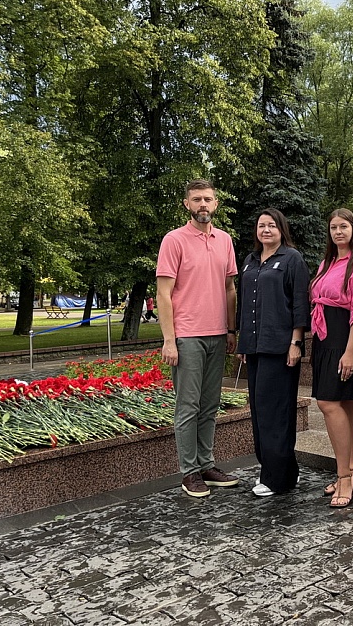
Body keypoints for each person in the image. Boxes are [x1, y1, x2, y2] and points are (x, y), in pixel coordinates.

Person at [156, 179, 240, 498]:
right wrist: (168, 339)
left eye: (208, 199)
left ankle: (206, 463)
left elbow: (230, 288)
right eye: (196, 199)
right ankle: (189, 471)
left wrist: (231, 330)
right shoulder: (174, 241)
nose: (202, 204)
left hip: (218, 335)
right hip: (187, 336)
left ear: (216, 204)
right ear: (187, 204)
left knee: (210, 405)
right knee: (188, 406)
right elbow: (164, 293)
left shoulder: (224, 241)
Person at [236, 208, 310, 497]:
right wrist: (244, 344)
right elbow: (244, 304)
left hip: (280, 348)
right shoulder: (250, 261)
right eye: (261, 225)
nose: (266, 230)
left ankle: (276, 478)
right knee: (259, 411)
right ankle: (281, 471)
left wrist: (296, 343)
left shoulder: (292, 259)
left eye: (272, 226)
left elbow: (299, 305)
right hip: (254, 348)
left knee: (276, 413)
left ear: (282, 229)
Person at [310, 208, 353, 508]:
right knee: (345, 403)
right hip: (326, 338)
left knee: (328, 403)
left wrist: (350, 352)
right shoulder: (327, 262)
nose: (338, 232)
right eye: (333, 227)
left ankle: (342, 477)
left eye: (344, 226)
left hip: (347, 338)